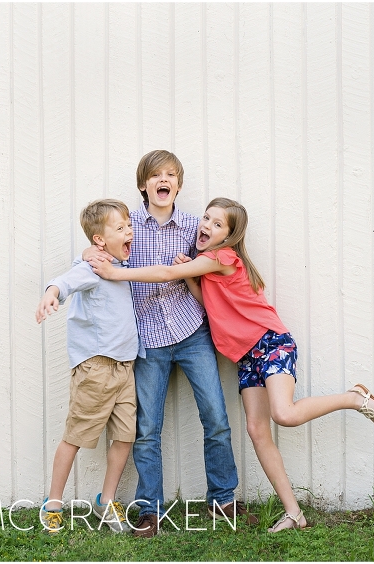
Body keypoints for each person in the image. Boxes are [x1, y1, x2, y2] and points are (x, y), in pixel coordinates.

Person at [89, 196, 374, 533]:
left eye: (217, 224)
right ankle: (295, 513)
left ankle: (352, 398)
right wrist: (188, 279)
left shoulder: (221, 257)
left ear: (229, 236)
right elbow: (213, 306)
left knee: (285, 414)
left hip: (270, 342)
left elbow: (167, 272)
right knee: (256, 430)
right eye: (207, 218)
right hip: (246, 356)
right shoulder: (202, 259)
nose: (206, 226)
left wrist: (116, 273)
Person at [83, 151, 255, 538]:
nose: (164, 180)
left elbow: (220, 268)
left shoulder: (196, 227)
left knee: (216, 418)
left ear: (179, 184)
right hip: (147, 339)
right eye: (156, 175)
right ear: (144, 184)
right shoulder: (129, 227)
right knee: (146, 429)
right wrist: (87, 253)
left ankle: (223, 500)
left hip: (192, 332)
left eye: (171, 175)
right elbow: (97, 250)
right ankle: (149, 510)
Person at [35, 198, 141, 534]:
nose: (129, 231)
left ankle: (105, 501)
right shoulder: (92, 267)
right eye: (120, 228)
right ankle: (53, 503)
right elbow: (65, 281)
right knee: (76, 436)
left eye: (129, 225)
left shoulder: (121, 265)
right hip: (96, 368)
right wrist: (51, 293)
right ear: (99, 240)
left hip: (125, 369)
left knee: (125, 436)